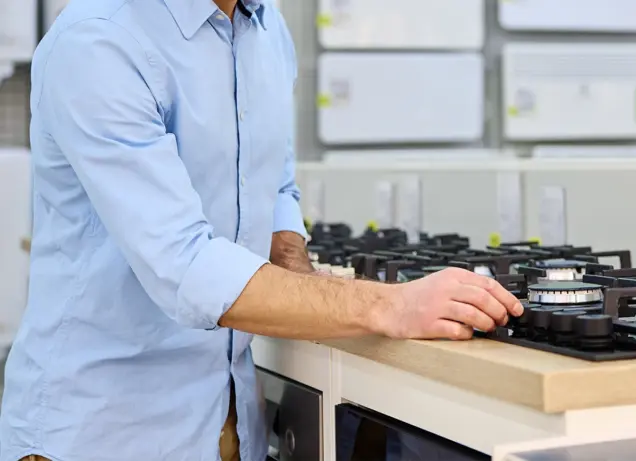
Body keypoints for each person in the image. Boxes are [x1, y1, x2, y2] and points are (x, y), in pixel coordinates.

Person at [0, 0, 523, 460]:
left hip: (226, 422)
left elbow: (272, 189)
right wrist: (389, 305)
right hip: (103, 431)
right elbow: (184, 265)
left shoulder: (267, 29)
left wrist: (302, 278)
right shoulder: (97, 41)